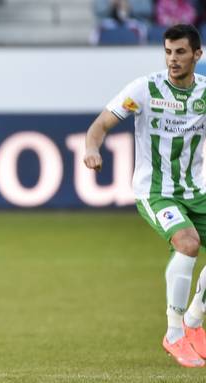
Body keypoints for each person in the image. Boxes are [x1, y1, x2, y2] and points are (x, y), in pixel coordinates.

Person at [83, 24, 206, 367]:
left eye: (180, 52)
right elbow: (100, 126)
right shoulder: (145, 88)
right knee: (187, 242)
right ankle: (175, 333)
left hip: (196, 191)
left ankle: (194, 322)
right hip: (155, 191)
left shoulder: (204, 93)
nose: (173, 59)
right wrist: (92, 148)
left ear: (197, 54)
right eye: (168, 52)